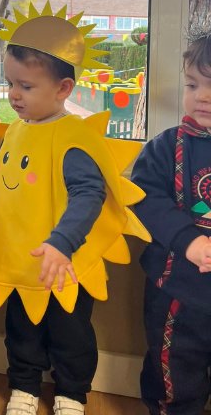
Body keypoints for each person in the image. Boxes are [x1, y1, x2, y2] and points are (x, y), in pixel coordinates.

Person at [0, 2, 148, 415]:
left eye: (26, 86)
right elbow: (1, 194)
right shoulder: (15, 131)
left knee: (71, 332)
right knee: (21, 330)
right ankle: (24, 386)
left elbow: (89, 194)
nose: (13, 94)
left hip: (64, 263)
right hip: (20, 262)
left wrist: (62, 243)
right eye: (10, 83)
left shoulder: (72, 138)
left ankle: (71, 392)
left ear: (63, 88)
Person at [131, 26, 211, 415]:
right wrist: (188, 240)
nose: (202, 96)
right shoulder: (165, 147)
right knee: (174, 373)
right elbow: (144, 198)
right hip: (176, 290)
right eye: (193, 85)